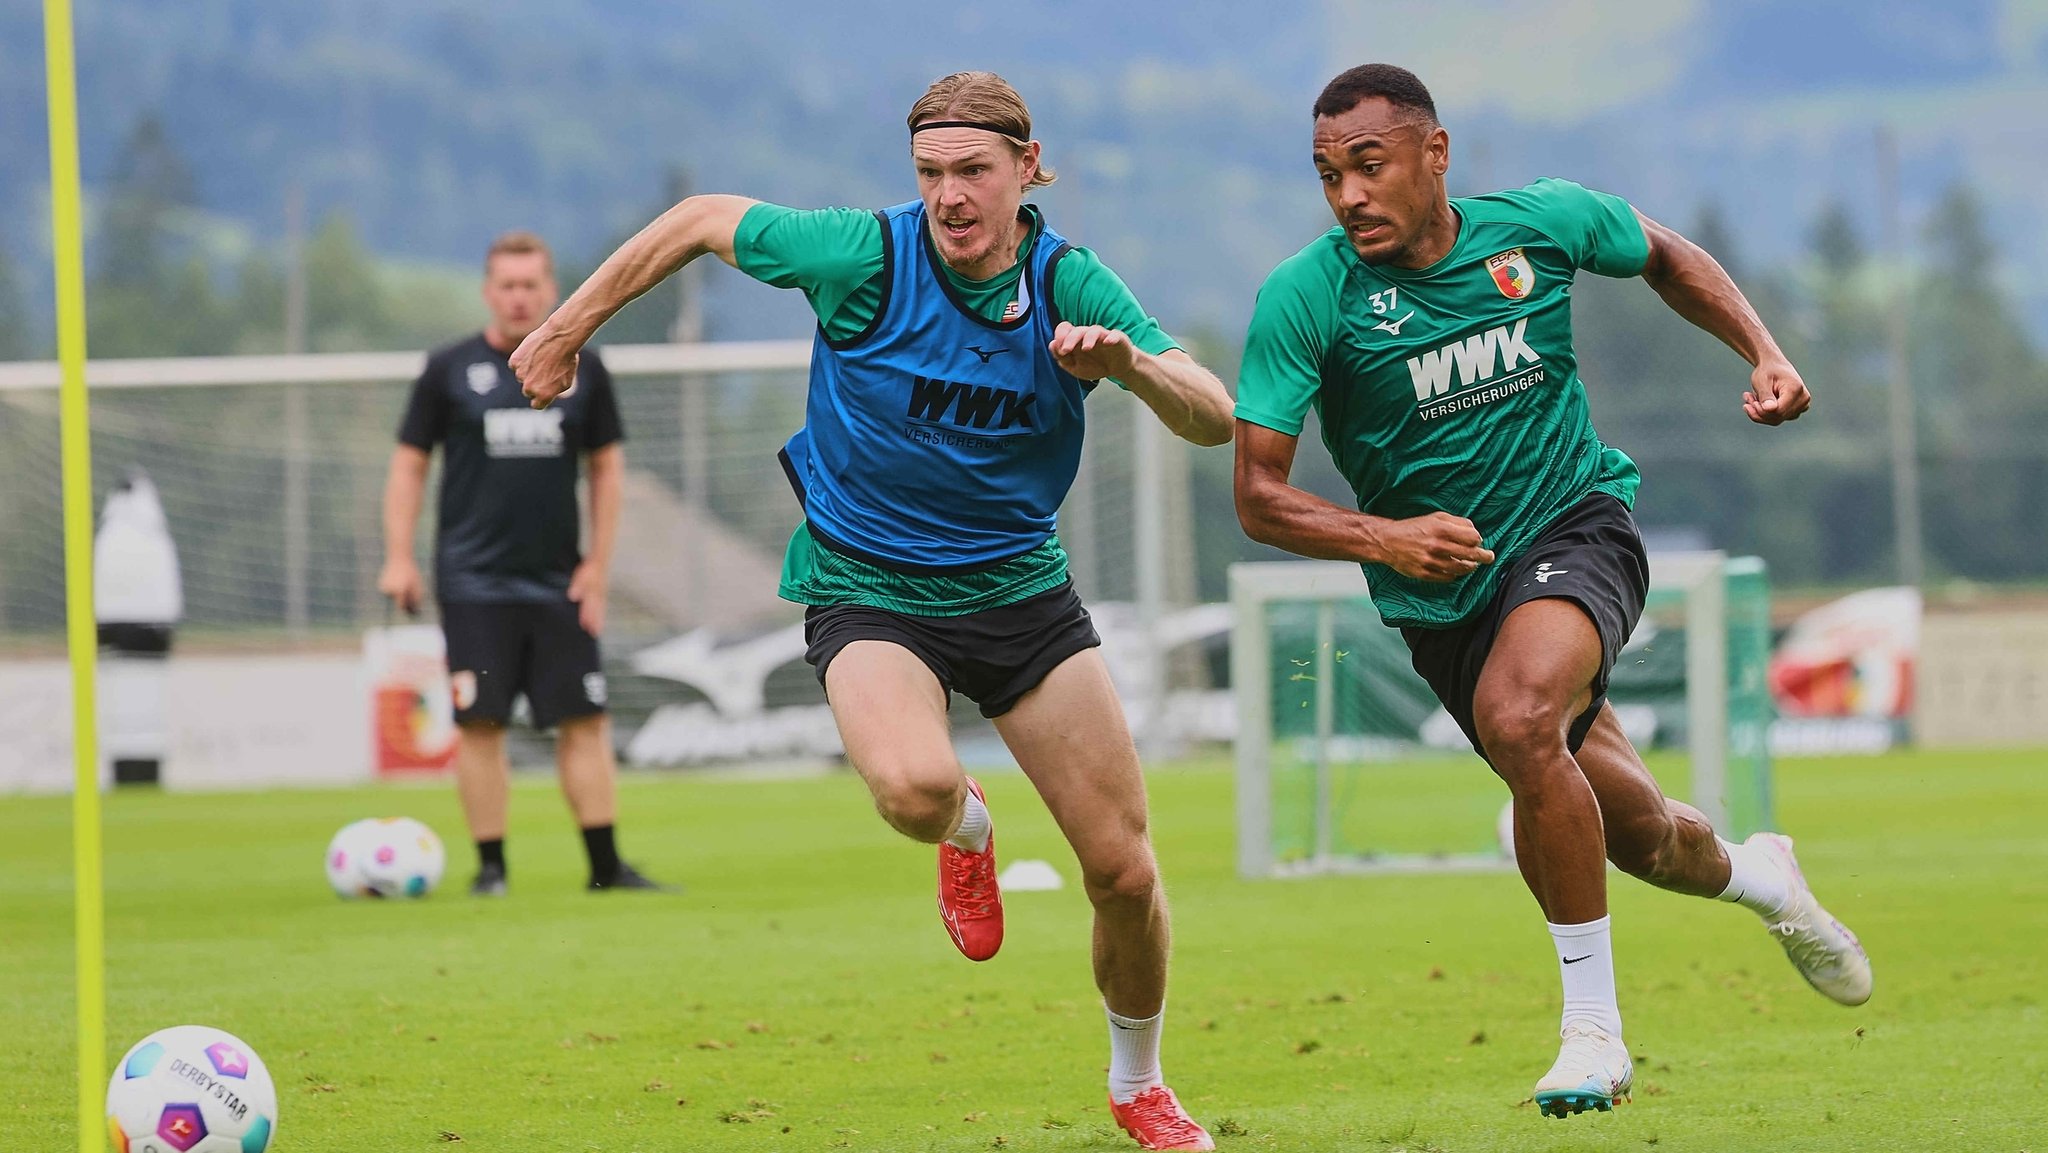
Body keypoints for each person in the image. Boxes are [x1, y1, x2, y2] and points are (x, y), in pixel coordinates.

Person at [512, 72, 1234, 1152]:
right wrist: (567, 329)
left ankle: (1139, 1081)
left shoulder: (1069, 283)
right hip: (869, 586)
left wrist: (1129, 365)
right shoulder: (864, 255)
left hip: (1017, 592)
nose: (949, 196)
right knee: (910, 789)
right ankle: (967, 828)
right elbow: (703, 220)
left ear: (1029, 171)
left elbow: (1213, 415)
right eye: (930, 173)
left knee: (1122, 870)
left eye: (972, 172)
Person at [1232, 64, 1872, 1118]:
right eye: (1326, 174)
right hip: (1444, 599)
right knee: (1644, 839)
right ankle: (1765, 881)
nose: (1347, 194)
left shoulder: (1535, 226)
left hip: (1574, 527)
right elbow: (1258, 497)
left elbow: (1662, 252)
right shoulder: (1306, 296)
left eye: (1368, 164)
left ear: (1433, 156)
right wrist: (1387, 538)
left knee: (1520, 718)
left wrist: (1761, 350)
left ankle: (1593, 1034)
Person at [379, 230, 668, 897]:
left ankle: (605, 867)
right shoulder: (448, 370)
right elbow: (408, 464)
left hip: (558, 579)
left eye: (531, 285)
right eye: (506, 285)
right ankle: (491, 870)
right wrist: (398, 557)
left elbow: (606, 468)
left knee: (585, 719)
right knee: (481, 721)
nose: (518, 297)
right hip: (473, 581)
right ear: (488, 291)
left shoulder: (583, 369)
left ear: (550, 290)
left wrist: (598, 565)